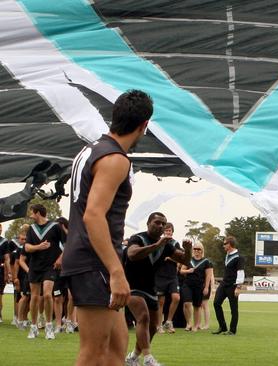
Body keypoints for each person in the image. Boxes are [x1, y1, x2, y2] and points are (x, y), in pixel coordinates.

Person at [61, 89, 152, 366]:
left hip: (90, 258)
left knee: (115, 349)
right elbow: (93, 216)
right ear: (143, 125)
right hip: (94, 261)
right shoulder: (115, 159)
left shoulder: (90, 150)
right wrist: (116, 271)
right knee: (93, 352)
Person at [124, 212, 191, 366]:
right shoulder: (138, 238)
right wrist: (157, 245)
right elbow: (132, 254)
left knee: (154, 326)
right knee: (143, 317)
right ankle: (148, 359)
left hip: (151, 287)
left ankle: (133, 357)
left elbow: (184, 260)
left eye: (163, 224)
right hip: (132, 285)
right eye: (157, 222)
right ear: (148, 223)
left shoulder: (166, 246)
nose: (160, 226)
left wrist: (187, 250)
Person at [24, 203, 65, 339]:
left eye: (32, 213)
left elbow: (67, 245)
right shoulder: (31, 229)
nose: (30, 216)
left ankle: (48, 326)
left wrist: (60, 259)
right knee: (34, 297)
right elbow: (27, 248)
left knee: (47, 295)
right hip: (35, 266)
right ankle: (34, 326)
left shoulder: (55, 227)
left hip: (50, 267)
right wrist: (39, 247)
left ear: (38, 213)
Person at [212, 236, 244, 335]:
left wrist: (238, 287)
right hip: (224, 284)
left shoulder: (239, 257)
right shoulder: (227, 255)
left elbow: (240, 272)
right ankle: (222, 327)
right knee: (216, 303)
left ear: (230, 245)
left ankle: (232, 330)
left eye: (225, 244)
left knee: (233, 309)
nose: (223, 246)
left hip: (233, 285)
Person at [154, 222, 182, 334]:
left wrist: (169, 258)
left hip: (172, 276)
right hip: (160, 275)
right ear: (163, 232)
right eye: (166, 230)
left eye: (169, 230)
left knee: (176, 298)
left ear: (172, 232)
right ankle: (158, 325)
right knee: (160, 301)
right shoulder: (158, 242)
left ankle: (169, 321)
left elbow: (181, 259)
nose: (167, 232)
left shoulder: (175, 243)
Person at [181, 242, 213, 332]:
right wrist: (188, 271)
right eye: (195, 249)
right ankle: (189, 323)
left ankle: (196, 325)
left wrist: (206, 287)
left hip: (199, 286)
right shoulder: (188, 260)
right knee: (187, 303)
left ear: (202, 250)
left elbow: (208, 276)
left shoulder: (206, 261)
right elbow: (181, 271)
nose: (196, 251)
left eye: (198, 249)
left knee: (197, 306)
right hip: (187, 285)